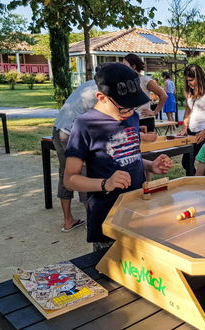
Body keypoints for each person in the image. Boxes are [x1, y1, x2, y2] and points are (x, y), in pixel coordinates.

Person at [64, 63, 173, 251]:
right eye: (124, 109)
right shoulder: (85, 125)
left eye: (133, 107)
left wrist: (150, 166)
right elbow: (70, 179)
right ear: (101, 97)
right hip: (107, 216)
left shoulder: (131, 117)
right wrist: (105, 183)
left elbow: (130, 155)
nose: (130, 113)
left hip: (137, 210)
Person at [53, 80, 98, 232]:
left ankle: (68, 221)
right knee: (84, 174)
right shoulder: (103, 92)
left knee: (65, 173)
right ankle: (91, 219)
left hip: (58, 130)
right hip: (73, 134)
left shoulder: (88, 84)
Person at [178, 63, 205, 172]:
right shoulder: (189, 92)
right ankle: (194, 184)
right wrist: (184, 127)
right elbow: (188, 110)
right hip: (192, 132)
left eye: (191, 80)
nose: (188, 83)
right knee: (186, 163)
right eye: (187, 81)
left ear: (198, 77)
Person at [122, 54, 167, 133]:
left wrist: (154, 112)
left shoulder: (144, 79)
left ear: (133, 66)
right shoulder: (126, 81)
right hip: (130, 120)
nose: (122, 68)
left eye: (125, 65)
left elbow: (163, 95)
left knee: (146, 145)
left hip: (144, 120)